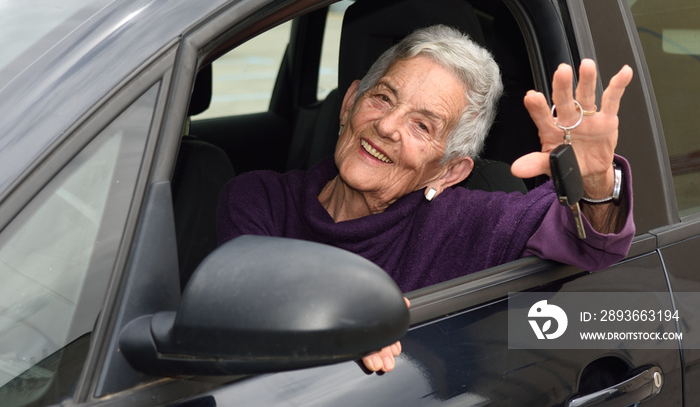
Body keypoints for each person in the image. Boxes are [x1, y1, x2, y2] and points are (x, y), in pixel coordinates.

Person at [216, 25, 635, 373]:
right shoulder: (260, 198)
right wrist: (336, 305)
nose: (387, 125)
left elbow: (585, 237)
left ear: (450, 171)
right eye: (383, 98)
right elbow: (240, 299)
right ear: (349, 103)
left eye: (422, 126)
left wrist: (595, 181)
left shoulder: (463, 225)